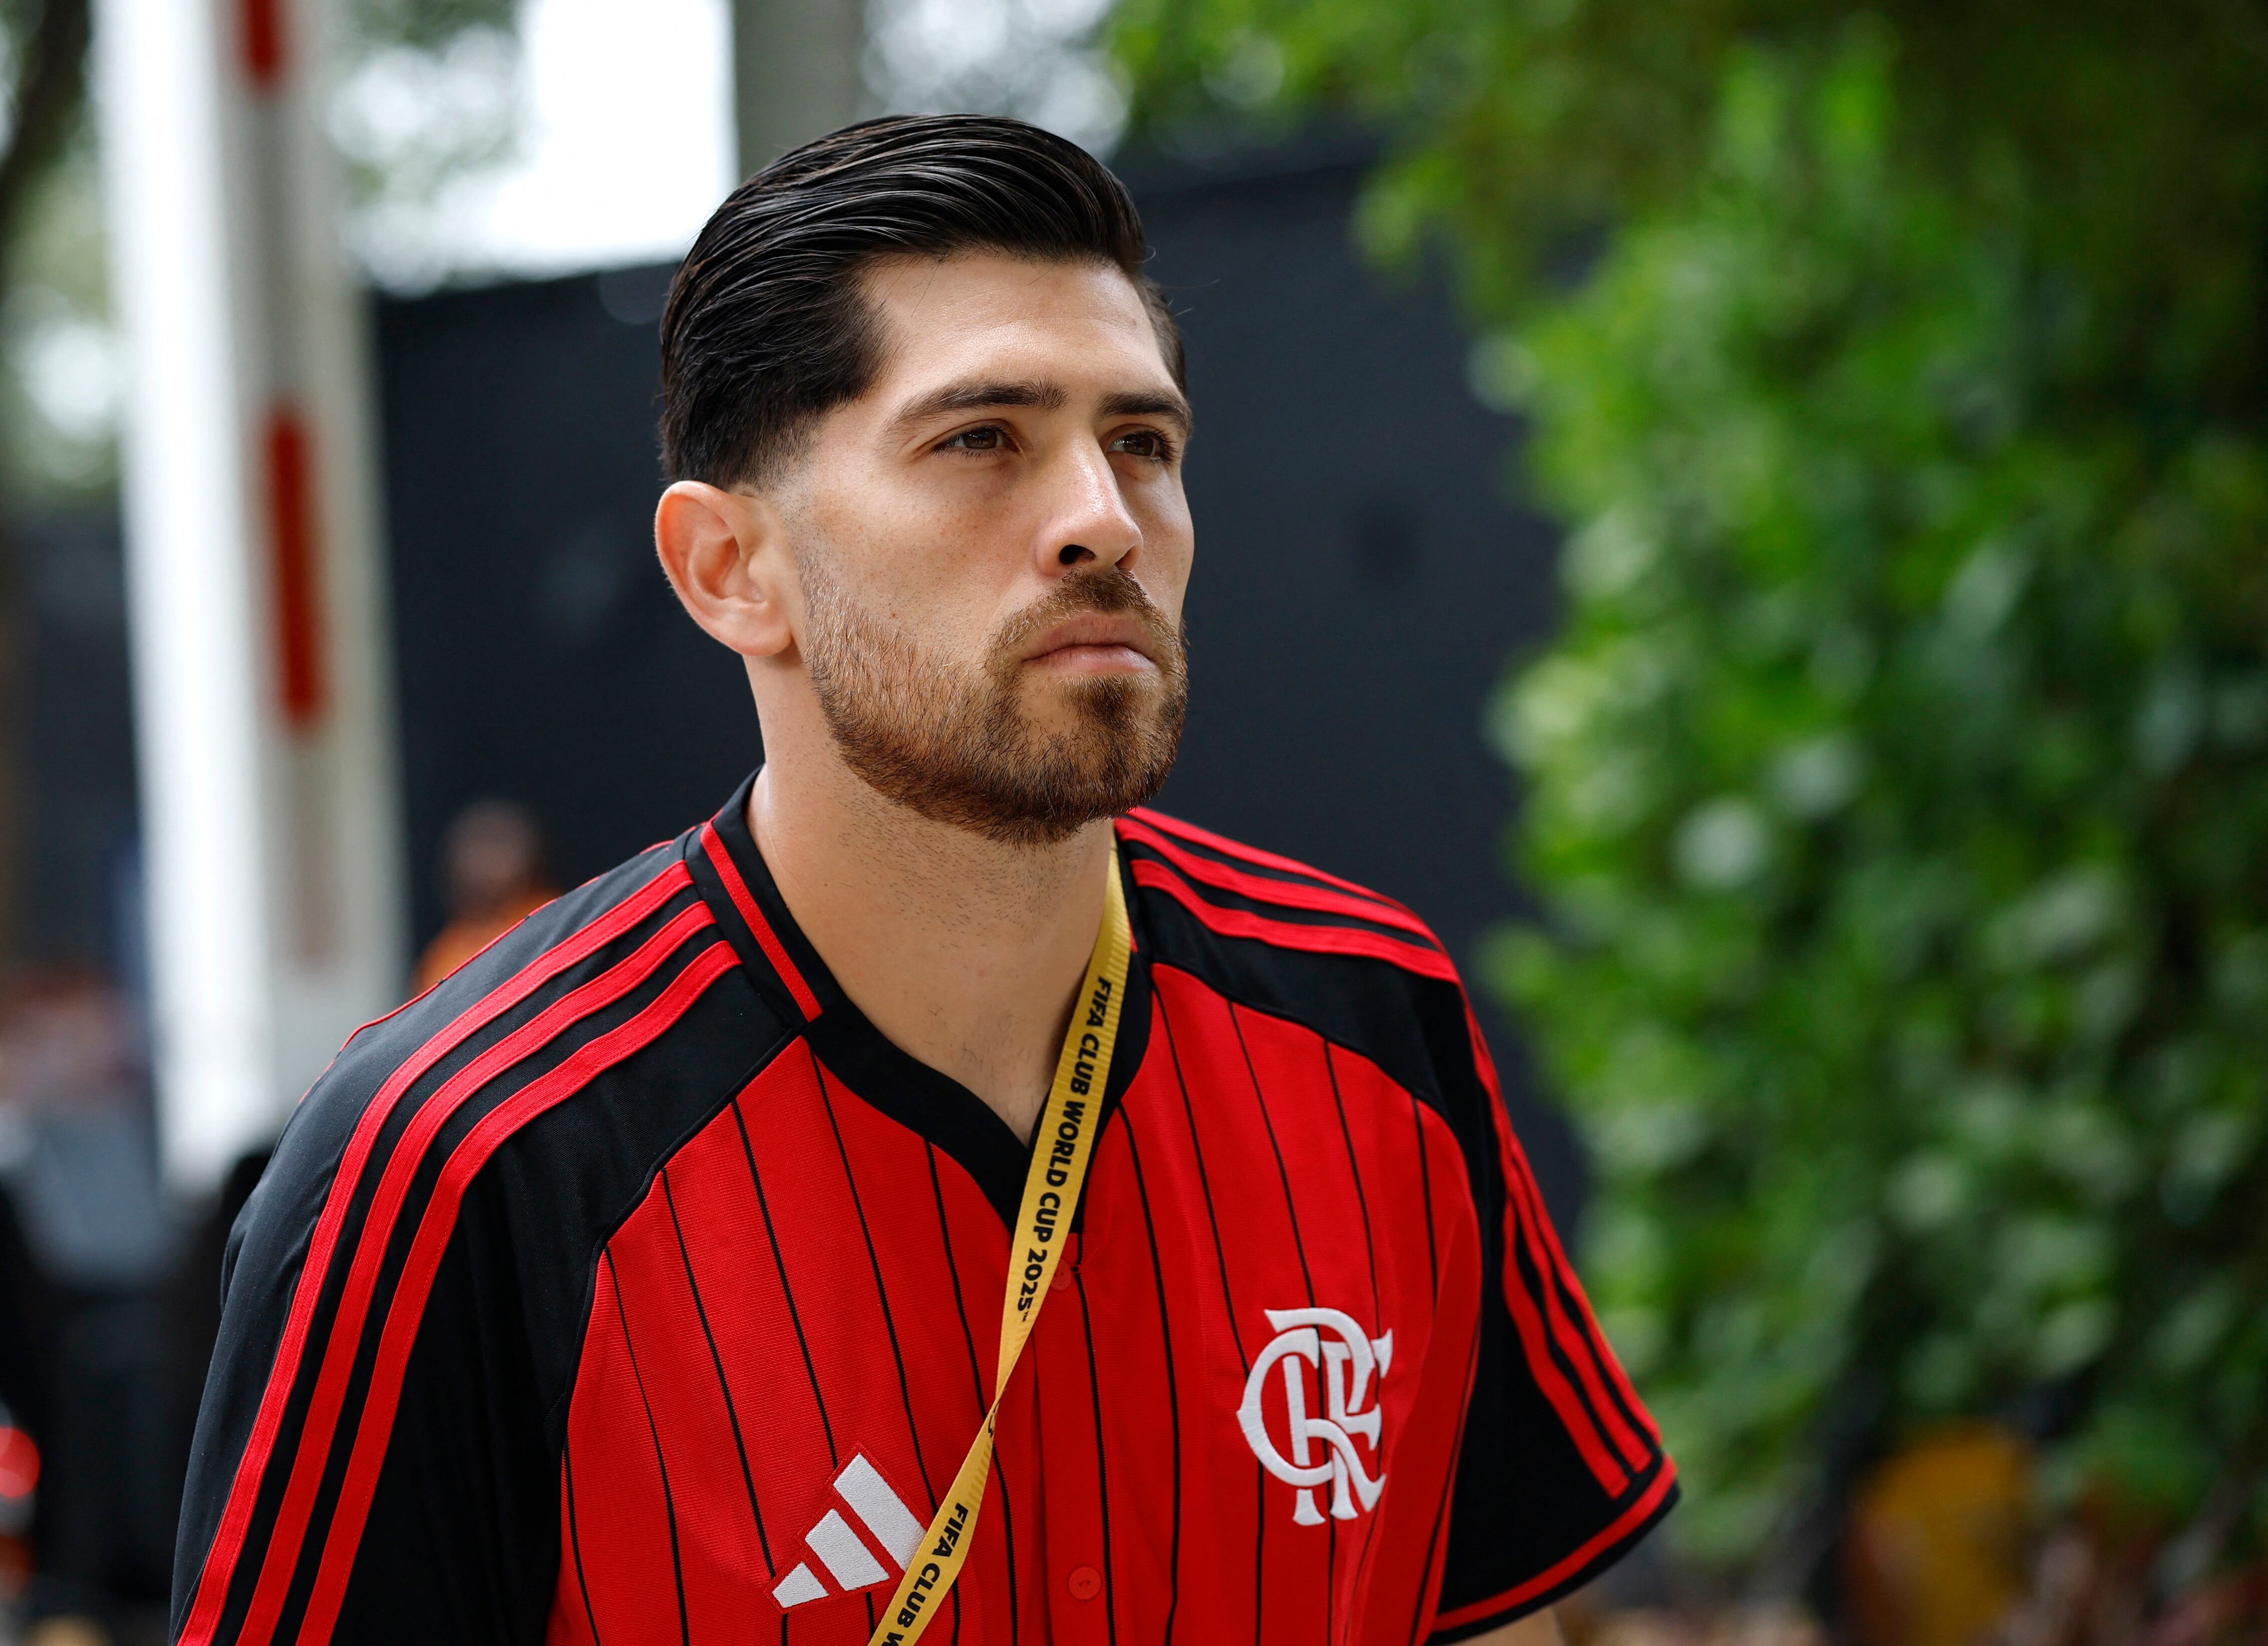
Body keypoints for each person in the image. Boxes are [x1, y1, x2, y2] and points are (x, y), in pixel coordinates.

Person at [171, 116, 1674, 1646]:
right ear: (728, 571)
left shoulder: (1372, 1011)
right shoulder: (459, 1158)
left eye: (1142, 443)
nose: (1102, 516)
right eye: (981, 438)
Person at [409, 801, 559, 996]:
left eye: (499, 844)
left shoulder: (554, 924)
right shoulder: (445, 952)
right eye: (475, 847)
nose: (485, 859)